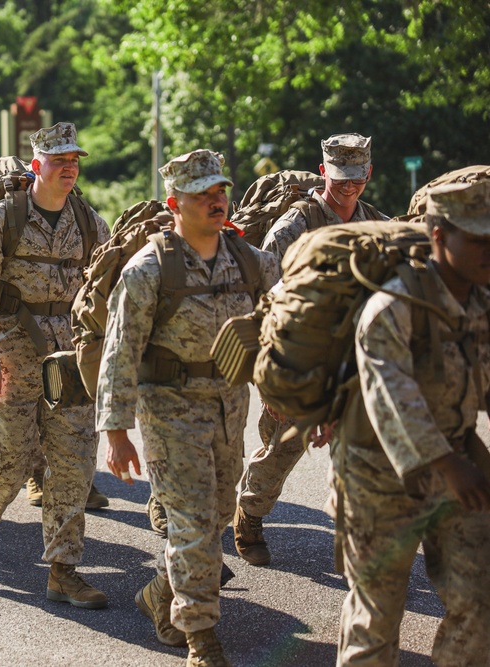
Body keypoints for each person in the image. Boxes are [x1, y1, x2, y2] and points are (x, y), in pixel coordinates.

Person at [100, 150, 279, 665]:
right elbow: (120, 350)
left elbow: (290, 309)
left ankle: (161, 593)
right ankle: (201, 638)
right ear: (175, 203)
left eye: (220, 190)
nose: (217, 200)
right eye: (203, 194)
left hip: (229, 406)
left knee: (220, 514)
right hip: (169, 411)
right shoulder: (148, 268)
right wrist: (115, 430)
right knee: (193, 522)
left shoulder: (249, 260)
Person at [329, 179, 490, 666]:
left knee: (479, 601)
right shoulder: (392, 306)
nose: (489, 249)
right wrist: (447, 462)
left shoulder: (482, 302)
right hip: (378, 477)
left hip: (457, 471)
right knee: (376, 618)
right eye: (477, 237)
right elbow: (389, 397)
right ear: (439, 234)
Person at [0, 122, 110, 608]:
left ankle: (64, 570)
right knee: (9, 465)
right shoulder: (0, 220)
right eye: (60, 160)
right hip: (13, 355)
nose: (69, 168)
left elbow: (108, 285)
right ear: (36, 165)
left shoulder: (88, 221)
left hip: (69, 359)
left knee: (73, 465)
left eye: (75, 160)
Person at [234, 133, 389, 567]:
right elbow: (262, 300)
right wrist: (269, 376)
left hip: (355, 363)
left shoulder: (377, 223)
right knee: (284, 447)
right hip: (299, 360)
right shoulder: (295, 226)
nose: (349, 186)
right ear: (324, 172)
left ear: (369, 173)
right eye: (340, 178)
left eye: (357, 178)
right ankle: (250, 512)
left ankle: (359, 540)